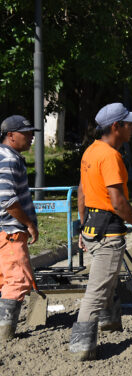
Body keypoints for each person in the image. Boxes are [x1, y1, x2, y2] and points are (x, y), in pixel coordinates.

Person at [69, 103, 132, 360]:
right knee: (97, 291)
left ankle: (110, 323)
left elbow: (82, 191)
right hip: (108, 230)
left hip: (93, 227)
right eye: (129, 123)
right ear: (115, 127)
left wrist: (83, 225)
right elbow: (118, 201)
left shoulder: (91, 151)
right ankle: (81, 348)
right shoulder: (110, 156)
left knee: (107, 279)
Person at [0, 115, 40, 340]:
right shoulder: (8, 159)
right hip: (10, 230)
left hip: (2, 229)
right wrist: (28, 224)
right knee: (18, 280)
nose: (31, 137)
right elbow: (6, 198)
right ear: (11, 135)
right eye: (26, 133)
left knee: (5, 278)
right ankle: (5, 333)